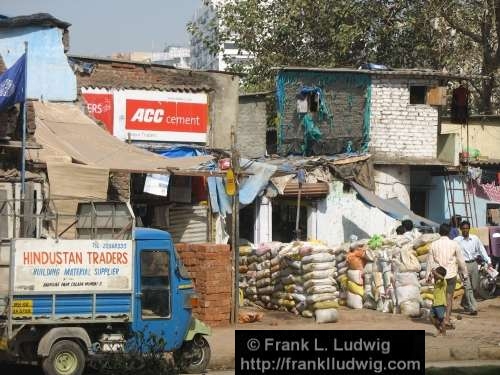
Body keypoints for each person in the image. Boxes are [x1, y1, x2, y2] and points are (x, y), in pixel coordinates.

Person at [426, 223, 468, 328]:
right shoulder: (454, 244)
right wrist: (465, 273)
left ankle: (438, 318)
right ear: (449, 232)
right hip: (451, 274)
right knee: (449, 298)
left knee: (438, 297)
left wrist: (428, 275)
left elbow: (429, 262)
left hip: (438, 275)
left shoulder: (433, 244)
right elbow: (461, 261)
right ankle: (447, 319)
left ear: (439, 232)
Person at [455, 220, 492, 311]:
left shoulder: (475, 238)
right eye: (463, 229)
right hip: (463, 265)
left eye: (467, 228)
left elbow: (481, 250)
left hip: (474, 264)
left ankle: (464, 302)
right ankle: (473, 307)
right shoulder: (456, 240)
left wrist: (488, 260)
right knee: (468, 287)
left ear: (469, 229)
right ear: (460, 229)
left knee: (475, 287)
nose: (465, 230)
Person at [430, 266, 448, 336]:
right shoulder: (436, 282)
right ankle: (439, 329)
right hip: (434, 304)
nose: (434, 275)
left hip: (440, 304)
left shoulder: (443, 282)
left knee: (441, 319)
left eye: (436, 274)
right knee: (431, 317)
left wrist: (435, 272)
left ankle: (444, 333)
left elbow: (442, 278)